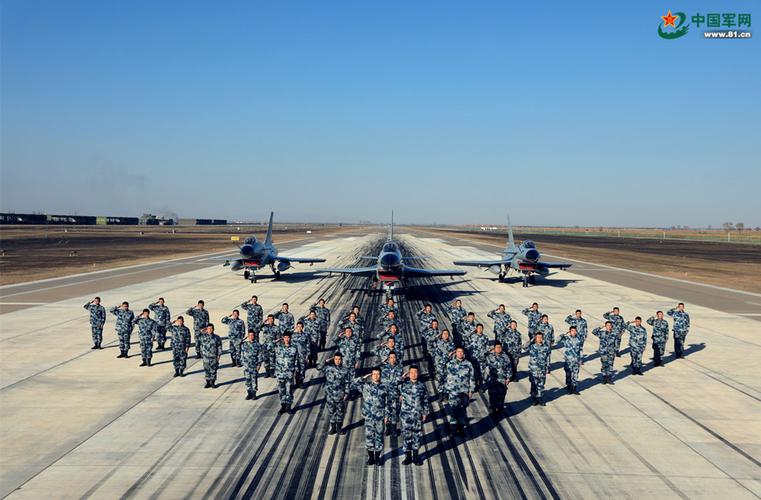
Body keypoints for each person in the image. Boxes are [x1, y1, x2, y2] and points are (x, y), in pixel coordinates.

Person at [352, 367, 389, 466]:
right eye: (374, 374)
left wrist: (386, 416)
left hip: (380, 417)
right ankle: (371, 457)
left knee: (379, 437)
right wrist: (363, 378)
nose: (376, 376)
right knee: (369, 437)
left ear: (380, 375)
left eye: (378, 374)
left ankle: (377, 458)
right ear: (371, 375)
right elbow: (353, 384)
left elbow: (387, 403)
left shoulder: (384, 387)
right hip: (368, 417)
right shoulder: (365, 386)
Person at [399, 366, 430, 466]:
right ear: (409, 374)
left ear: (418, 373)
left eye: (415, 372)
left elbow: (425, 400)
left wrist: (425, 413)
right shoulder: (404, 385)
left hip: (417, 415)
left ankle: (416, 457)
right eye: (411, 372)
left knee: (416, 436)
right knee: (406, 436)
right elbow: (393, 387)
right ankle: (408, 457)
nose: (413, 374)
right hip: (406, 416)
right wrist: (402, 378)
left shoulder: (422, 386)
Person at [445, 346, 475, 436]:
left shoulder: (468, 364)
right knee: (453, 410)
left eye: (461, 352)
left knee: (462, 411)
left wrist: (471, 390)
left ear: (464, 353)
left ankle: (461, 429)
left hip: (464, 391)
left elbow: (472, 378)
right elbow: (444, 375)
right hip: (453, 392)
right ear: (455, 353)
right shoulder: (450, 364)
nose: (460, 353)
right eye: (458, 352)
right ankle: (454, 430)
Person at [320, 352, 351, 435]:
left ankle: (339, 428)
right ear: (334, 359)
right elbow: (318, 367)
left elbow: (347, 383)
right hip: (330, 394)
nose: (338, 361)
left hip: (340, 394)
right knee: (331, 411)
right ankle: (333, 427)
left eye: (339, 359)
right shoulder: (328, 368)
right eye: (336, 359)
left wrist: (347, 394)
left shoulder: (345, 370)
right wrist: (326, 361)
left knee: (340, 411)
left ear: (342, 360)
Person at [485, 342, 512, 414]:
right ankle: (493, 408)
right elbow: (482, 358)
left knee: (501, 394)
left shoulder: (505, 357)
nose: (498, 349)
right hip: (492, 379)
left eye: (500, 347)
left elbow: (509, 367)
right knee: (492, 394)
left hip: (502, 379)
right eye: (497, 347)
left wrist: (508, 378)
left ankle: (500, 407)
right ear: (494, 348)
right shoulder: (489, 356)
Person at [275, 332, 298, 414]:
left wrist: (295, 371)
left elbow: (296, 360)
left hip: (289, 373)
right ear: (283, 338)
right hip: (280, 373)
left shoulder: (294, 348)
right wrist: (277, 340)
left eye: (288, 337)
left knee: (289, 390)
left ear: (290, 338)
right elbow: (268, 346)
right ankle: (283, 406)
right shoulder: (278, 347)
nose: (287, 339)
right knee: (281, 390)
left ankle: (288, 406)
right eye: (285, 337)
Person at [381, 352, 403, 436]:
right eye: (391, 357)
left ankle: (393, 429)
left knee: (394, 411)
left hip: (396, 394)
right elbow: (383, 381)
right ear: (388, 358)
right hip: (386, 394)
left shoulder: (399, 368)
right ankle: (388, 428)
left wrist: (401, 393)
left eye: (394, 357)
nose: (392, 359)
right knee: (387, 411)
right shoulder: (385, 369)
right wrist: (395, 381)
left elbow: (400, 382)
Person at [525, 331, 550, 406]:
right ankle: (534, 398)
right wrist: (532, 340)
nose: (540, 339)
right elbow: (524, 347)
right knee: (534, 385)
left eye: (541, 337)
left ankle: (540, 398)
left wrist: (548, 368)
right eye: (538, 337)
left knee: (541, 384)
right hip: (533, 369)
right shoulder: (532, 346)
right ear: (536, 338)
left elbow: (548, 358)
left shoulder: (546, 347)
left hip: (542, 369)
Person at [555, 327, 582, 394]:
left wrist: (580, 359)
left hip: (576, 360)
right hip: (568, 360)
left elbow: (580, 350)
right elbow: (557, 341)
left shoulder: (578, 339)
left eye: (575, 331)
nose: (574, 332)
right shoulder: (566, 339)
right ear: (569, 331)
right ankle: (569, 386)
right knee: (569, 375)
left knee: (575, 375)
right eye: (572, 331)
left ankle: (574, 388)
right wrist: (564, 334)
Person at [199, 323, 222, 388]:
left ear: (213, 329)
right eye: (208, 328)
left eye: (211, 328)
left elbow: (219, 347)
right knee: (206, 370)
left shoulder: (217, 337)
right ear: (206, 329)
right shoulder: (203, 337)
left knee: (213, 370)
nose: (210, 330)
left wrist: (219, 356)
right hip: (205, 356)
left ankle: (213, 382)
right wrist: (204, 330)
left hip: (213, 356)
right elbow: (198, 333)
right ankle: (208, 382)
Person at [241, 329, 262, 400]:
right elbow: (238, 344)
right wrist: (244, 338)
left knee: (254, 380)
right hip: (246, 366)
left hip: (254, 366)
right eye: (249, 335)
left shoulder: (258, 345)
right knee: (247, 380)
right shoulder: (245, 344)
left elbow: (260, 355)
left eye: (252, 335)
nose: (251, 337)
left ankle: (254, 394)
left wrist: (259, 365)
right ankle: (249, 393)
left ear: (254, 336)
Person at [468, 323, 489, 391]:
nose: (480, 329)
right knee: (474, 372)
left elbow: (487, 347)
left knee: (482, 373)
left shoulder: (485, 337)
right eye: (478, 328)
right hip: (474, 358)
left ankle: (480, 385)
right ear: (476, 329)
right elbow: (468, 345)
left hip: (482, 359)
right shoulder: (472, 336)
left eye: (481, 328)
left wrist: (485, 353)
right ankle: (474, 386)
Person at [291, 322, 310, 387]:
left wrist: (307, 356)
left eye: (301, 326)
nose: (299, 328)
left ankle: (301, 382)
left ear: (303, 327)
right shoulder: (293, 335)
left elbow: (308, 345)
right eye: (298, 326)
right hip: (294, 356)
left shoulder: (306, 335)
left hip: (302, 355)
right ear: (296, 327)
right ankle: (296, 382)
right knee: (295, 369)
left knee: (302, 369)